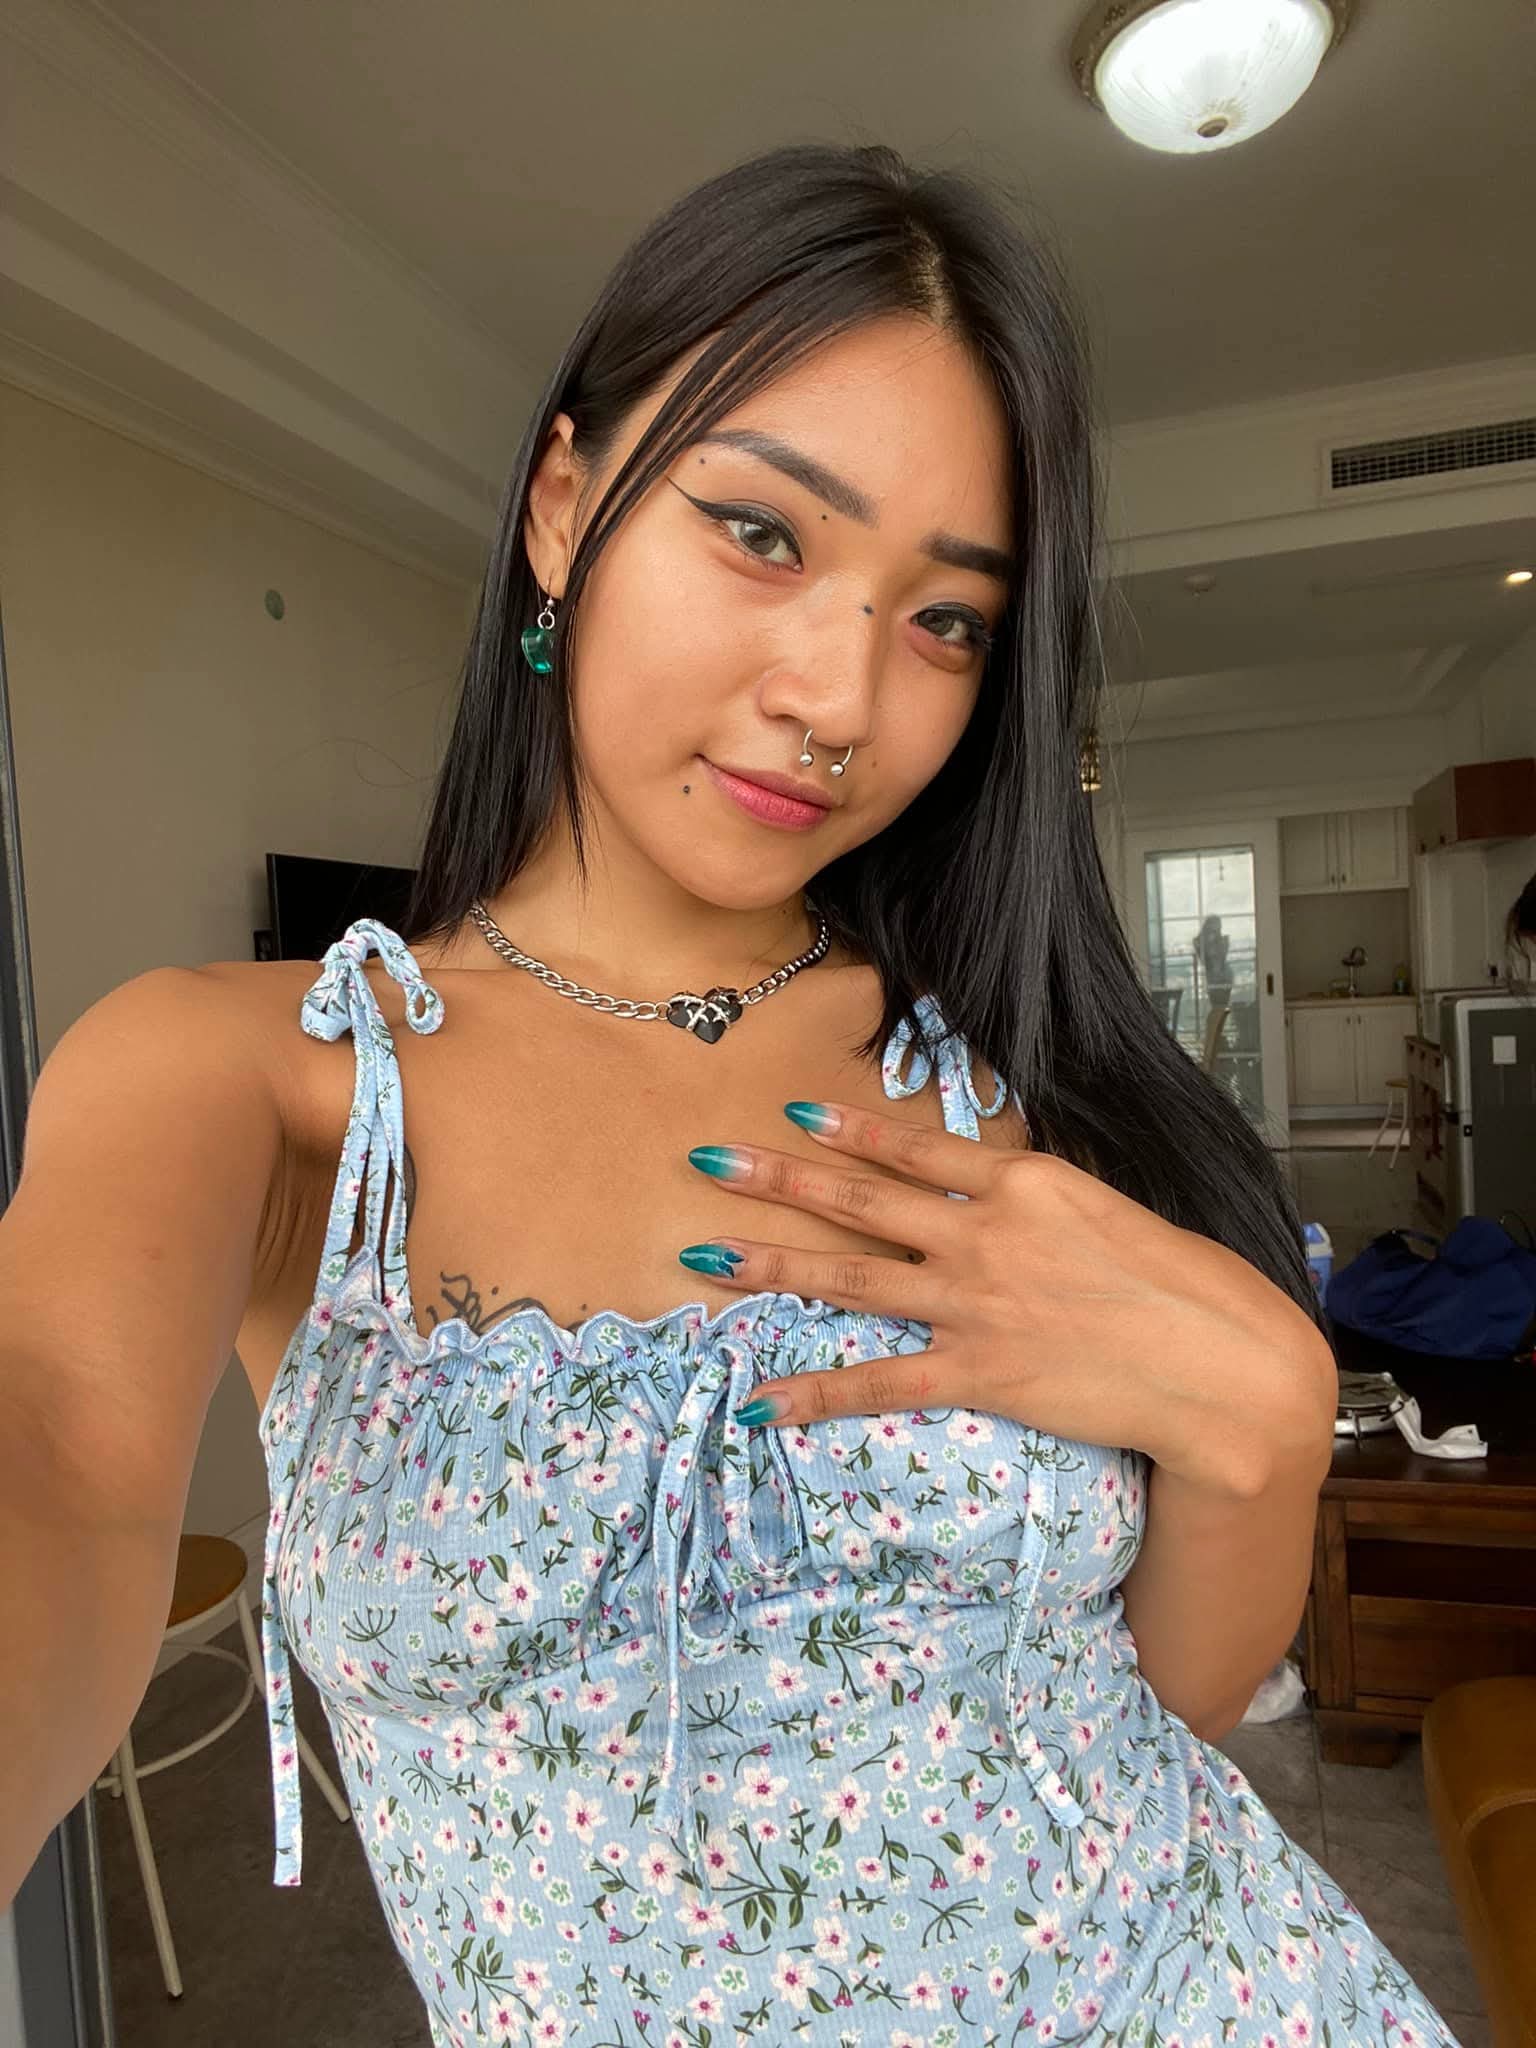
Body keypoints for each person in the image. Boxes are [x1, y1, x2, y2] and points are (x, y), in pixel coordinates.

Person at [0, 142, 1464, 2046]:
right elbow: (53, 1455)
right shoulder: (264, 1083)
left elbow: (1164, 1702)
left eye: (945, 619)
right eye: (765, 533)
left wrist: (1266, 1414)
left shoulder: (1016, 1064)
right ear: (562, 507)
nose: (842, 700)